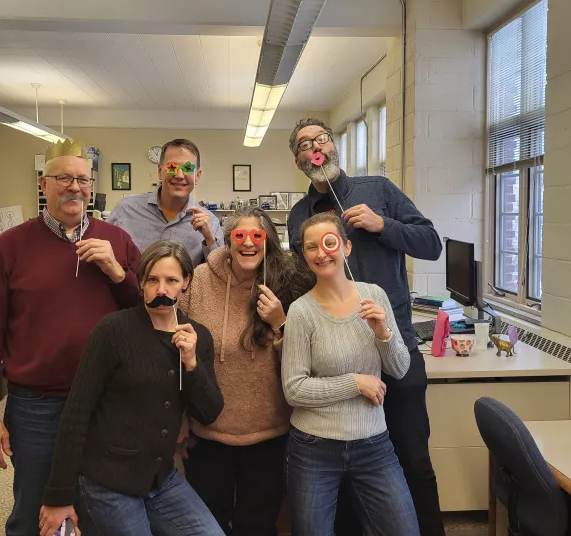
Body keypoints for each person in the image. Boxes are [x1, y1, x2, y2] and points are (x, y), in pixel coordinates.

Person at [0, 138, 141, 536]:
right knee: (36, 510)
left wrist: (119, 273)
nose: (74, 187)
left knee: (103, 508)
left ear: (91, 187)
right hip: (37, 406)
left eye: (82, 179)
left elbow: (145, 316)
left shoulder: (118, 241)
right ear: (44, 186)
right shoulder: (11, 246)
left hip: (107, 402)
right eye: (63, 178)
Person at [286, 118, 445, 536]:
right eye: (304, 144)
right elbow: (300, 284)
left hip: (395, 352)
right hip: (339, 365)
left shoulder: (379, 190)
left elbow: (431, 243)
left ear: (332, 145)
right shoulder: (300, 216)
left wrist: (382, 225)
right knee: (350, 476)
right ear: (299, 160)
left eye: (320, 139)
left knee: (414, 461)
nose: (314, 147)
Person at [39, 240, 225, 536]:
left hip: (161, 479)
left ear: (186, 283)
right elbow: (76, 413)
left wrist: (191, 364)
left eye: (171, 280)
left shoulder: (197, 335)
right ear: (141, 283)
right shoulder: (113, 330)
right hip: (108, 480)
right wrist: (58, 496)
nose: (161, 290)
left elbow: (210, 412)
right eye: (153, 280)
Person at [282, 213, 420, 536]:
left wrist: (384, 332)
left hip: (373, 443)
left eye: (329, 243)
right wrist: (355, 383)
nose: (321, 253)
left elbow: (399, 368)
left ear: (345, 247)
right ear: (305, 257)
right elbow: (294, 389)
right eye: (311, 247)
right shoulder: (301, 311)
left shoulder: (374, 296)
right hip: (314, 447)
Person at [178, 207, 311, 536]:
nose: (249, 243)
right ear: (228, 240)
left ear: (268, 241)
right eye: (240, 236)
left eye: (257, 236)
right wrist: (178, 418)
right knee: (209, 524)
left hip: (267, 433)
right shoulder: (199, 281)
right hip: (208, 432)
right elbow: (173, 351)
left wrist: (280, 324)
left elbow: (304, 364)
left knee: (258, 524)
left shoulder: (288, 284)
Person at [108, 138, 223, 266]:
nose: (179, 175)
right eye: (172, 167)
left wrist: (210, 239)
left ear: (197, 176)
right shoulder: (125, 210)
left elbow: (220, 273)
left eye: (188, 168)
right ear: (159, 171)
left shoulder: (211, 223)